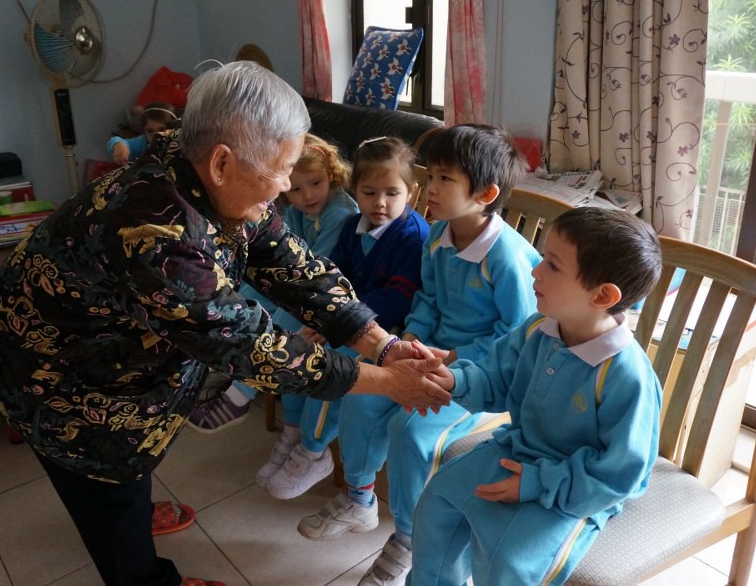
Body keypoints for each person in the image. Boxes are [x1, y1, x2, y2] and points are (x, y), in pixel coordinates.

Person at [0, 61, 450, 586]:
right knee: (106, 484)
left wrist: (382, 345)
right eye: (282, 169)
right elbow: (254, 348)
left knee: (125, 486)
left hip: (105, 353)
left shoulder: (197, 155)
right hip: (52, 370)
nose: (288, 184)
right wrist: (388, 382)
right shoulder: (154, 233)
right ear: (221, 163)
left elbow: (290, 262)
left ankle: (131, 518)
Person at [299, 124, 541, 586]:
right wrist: (408, 341)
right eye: (431, 177)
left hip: (484, 375)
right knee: (359, 393)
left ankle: (408, 538)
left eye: (445, 180)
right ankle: (359, 498)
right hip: (430, 355)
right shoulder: (438, 236)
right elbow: (427, 299)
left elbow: (516, 337)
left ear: (485, 194)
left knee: (408, 429)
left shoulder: (505, 257)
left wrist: (451, 358)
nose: (430, 188)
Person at [407, 207, 664, 586]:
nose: (535, 271)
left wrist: (536, 484)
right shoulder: (538, 329)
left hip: (576, 486)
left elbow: (619, 474)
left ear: (602, 295)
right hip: (517, 450)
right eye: (543, 258)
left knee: (507, 561)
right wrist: (454, 380)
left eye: (553, 266)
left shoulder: (627, 375)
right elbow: (495, 379)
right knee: (437, 501)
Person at [258, 136, 430, 500]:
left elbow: (399, 298)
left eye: (392, 193)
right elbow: (331, 275)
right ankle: (293, 432)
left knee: (334, 367)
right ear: (354, 191)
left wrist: (342, 323)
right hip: (349, 315)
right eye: (369, 192)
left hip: (387, 326)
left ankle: (313, 451)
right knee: (297, 346)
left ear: (411, 193)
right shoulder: (354, 225)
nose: (380, 203)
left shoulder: (413, 237)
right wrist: (325, 316)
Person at [189, 133, 357, 440]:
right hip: (303, 281)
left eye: (316, 183)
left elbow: (315, 274)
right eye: (296, 189)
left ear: (331, 175)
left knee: (285, 312)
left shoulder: (341, 213)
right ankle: (228, 357)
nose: (308, 195)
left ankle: (240, 394)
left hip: (332, 290)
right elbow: (283, 257)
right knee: (248, 291)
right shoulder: (296, 209)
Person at [108, 102, 179, 164]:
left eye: (163, 130)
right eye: (150, 131)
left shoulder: (179, 142)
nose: (156, 135)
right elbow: (117, 141)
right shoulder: (143, 143)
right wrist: (119, 146)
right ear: (144, 131)